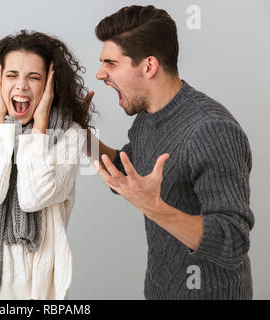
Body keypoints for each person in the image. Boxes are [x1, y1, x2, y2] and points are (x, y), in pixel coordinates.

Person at [87, 5, 254, 299]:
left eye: (111, 63)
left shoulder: (211, 128)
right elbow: (128, 175)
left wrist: (153, 207)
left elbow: (233, 241)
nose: (101, 74)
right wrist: (78, 134)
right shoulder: (147, 117)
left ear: (149, 66)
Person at [0, 30, 92, 300]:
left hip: (37, 282)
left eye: (34, 77)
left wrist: (42, 123)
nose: (21, 86)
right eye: (11, 76)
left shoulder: (70, 135)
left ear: (50, 85)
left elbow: (33, 196)